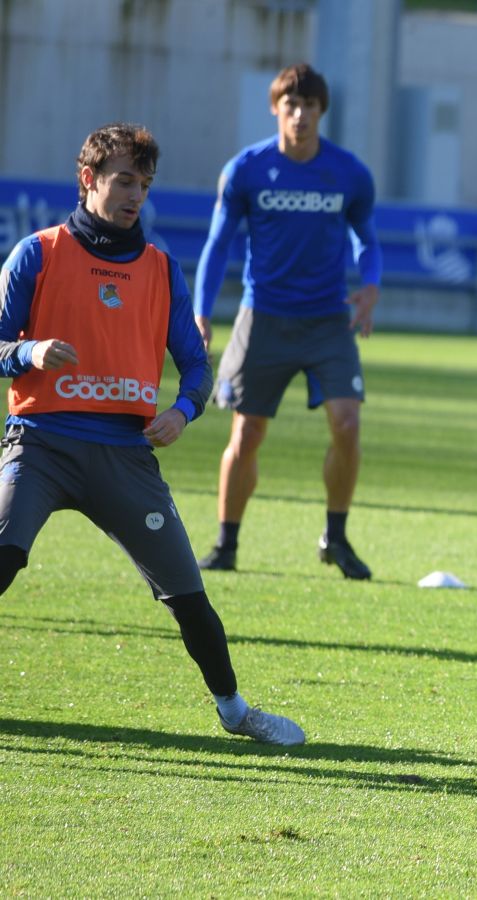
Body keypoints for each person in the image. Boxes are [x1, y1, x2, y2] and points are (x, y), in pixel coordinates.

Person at [0, 123, 305, 746]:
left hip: (125, 456)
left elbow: (196, 364)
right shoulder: (39, 252)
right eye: (123, 181)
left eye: (144, 183)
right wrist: (27, 353)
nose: (135, 195)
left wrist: (184, 411)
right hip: (41, 444)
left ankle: (235, 710)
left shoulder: (162, 269)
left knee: (189, 596)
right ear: (88, 180)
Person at [193, 63, 382, 579]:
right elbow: (218, 244)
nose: (300, 115)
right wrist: (202, 312)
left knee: (348, 423)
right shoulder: (246, 169)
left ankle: (336, 538)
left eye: (310, 106)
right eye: (290, 105)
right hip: (264, 317)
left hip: (327, 320)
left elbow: (367, 238)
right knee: (247, 433)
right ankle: (226, 543)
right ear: (275, 109)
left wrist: (370, 284)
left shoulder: (348, 173)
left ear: (322, 112)